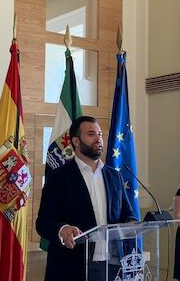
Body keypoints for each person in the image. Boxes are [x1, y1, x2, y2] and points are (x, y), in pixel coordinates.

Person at [36, 116, 137, 281]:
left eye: (100, 134)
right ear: (76, 141)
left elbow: (128, 214)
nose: (98, 139)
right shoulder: (58, 177)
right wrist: (63, 229)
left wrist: (132, 224)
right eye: (91, 134)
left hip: (112, 266)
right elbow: (43, 223)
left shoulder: (114, 176)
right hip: (72, 266)